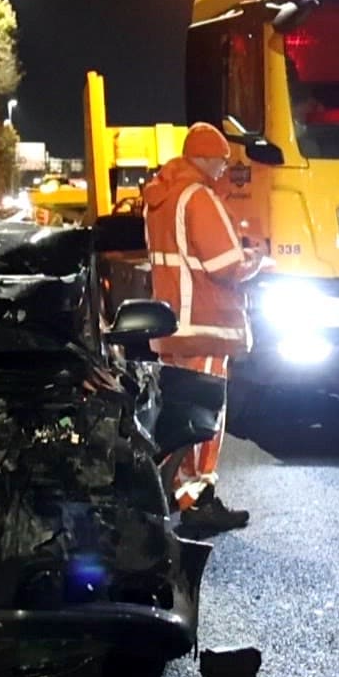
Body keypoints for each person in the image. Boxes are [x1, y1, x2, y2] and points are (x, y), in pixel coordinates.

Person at [142, 122, 269, 536]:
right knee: (205, 414)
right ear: (208, 158)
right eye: (221, 161)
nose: (223, 170)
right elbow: (224, 265)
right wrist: (255, 260)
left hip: (172, 320)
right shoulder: (199, 197)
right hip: (206, 322)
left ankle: (177, 492)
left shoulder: (160, 197)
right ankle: (200, 502)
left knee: (179, 410)